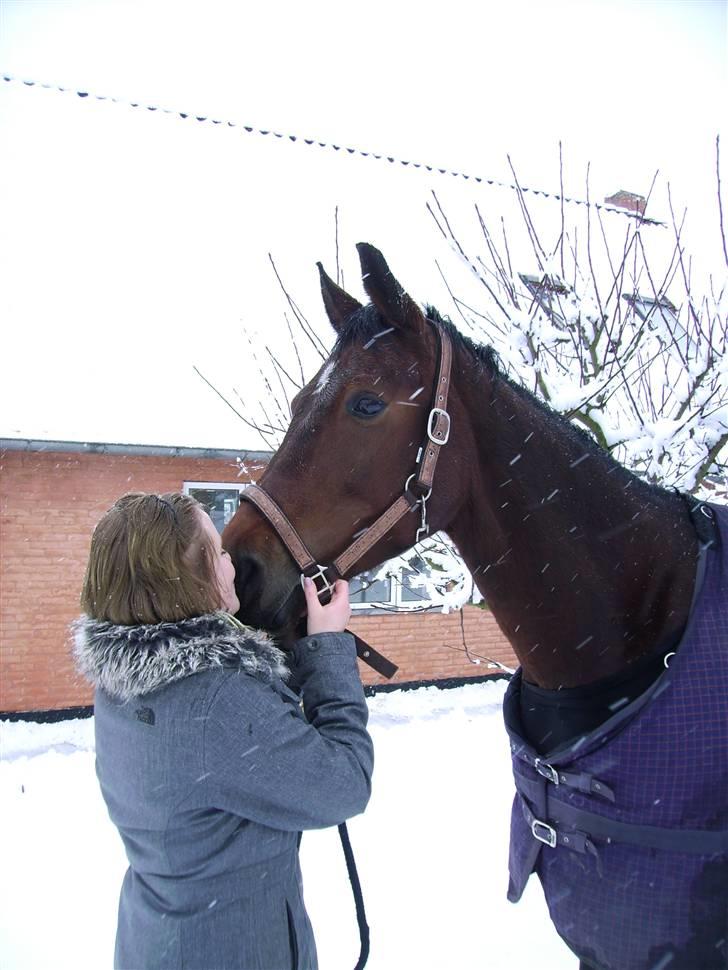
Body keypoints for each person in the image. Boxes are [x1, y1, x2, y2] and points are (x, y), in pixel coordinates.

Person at [73, 491, 373, 970]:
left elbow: (234, 742)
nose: (234, 564)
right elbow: (344, 784)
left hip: (157, 943)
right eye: (218, 553)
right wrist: (329, 648)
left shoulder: (121, 685)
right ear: (188, 581)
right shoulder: (216, 705)